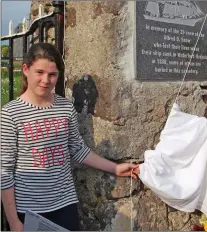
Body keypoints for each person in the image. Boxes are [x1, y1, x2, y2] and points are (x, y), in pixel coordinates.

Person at [1, 42, 139, 231]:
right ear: (26, 69)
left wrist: (116, 168)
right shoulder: (10, 114)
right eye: (39, 72)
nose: (45, 80)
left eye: (52, 74)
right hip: (29, 210)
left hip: (65, 205)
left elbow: (78, 150)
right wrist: (14, 221)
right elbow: (5, 172)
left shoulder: (65, 108)